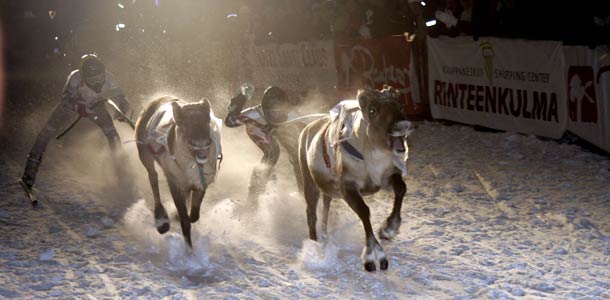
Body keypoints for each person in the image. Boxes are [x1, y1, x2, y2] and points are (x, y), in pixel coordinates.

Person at [20, 53, 131, 190]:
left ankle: (121, 173)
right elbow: (65, 99)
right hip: (72, 106)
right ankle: (29, 174)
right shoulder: (74, 78)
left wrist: (122, 109)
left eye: (100, 78)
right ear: (84, 77)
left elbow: (121, 97)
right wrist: (78, 107)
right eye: (92, 80)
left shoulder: (109, 78)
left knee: (112, 134)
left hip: (96, 107)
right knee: (45, 133)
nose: (97, 83)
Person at [224, 85, 303, 202]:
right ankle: (254, 194)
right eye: (271, 113)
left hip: (280, 128)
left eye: (278, 113)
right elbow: (229, 122)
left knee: (298, 153)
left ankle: (303, 191)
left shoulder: (292, 115)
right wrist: (239, 102)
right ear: (264, 109)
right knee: (272, 152)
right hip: (258, 127)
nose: (275, 116)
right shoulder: (254, 114)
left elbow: (309, 128)